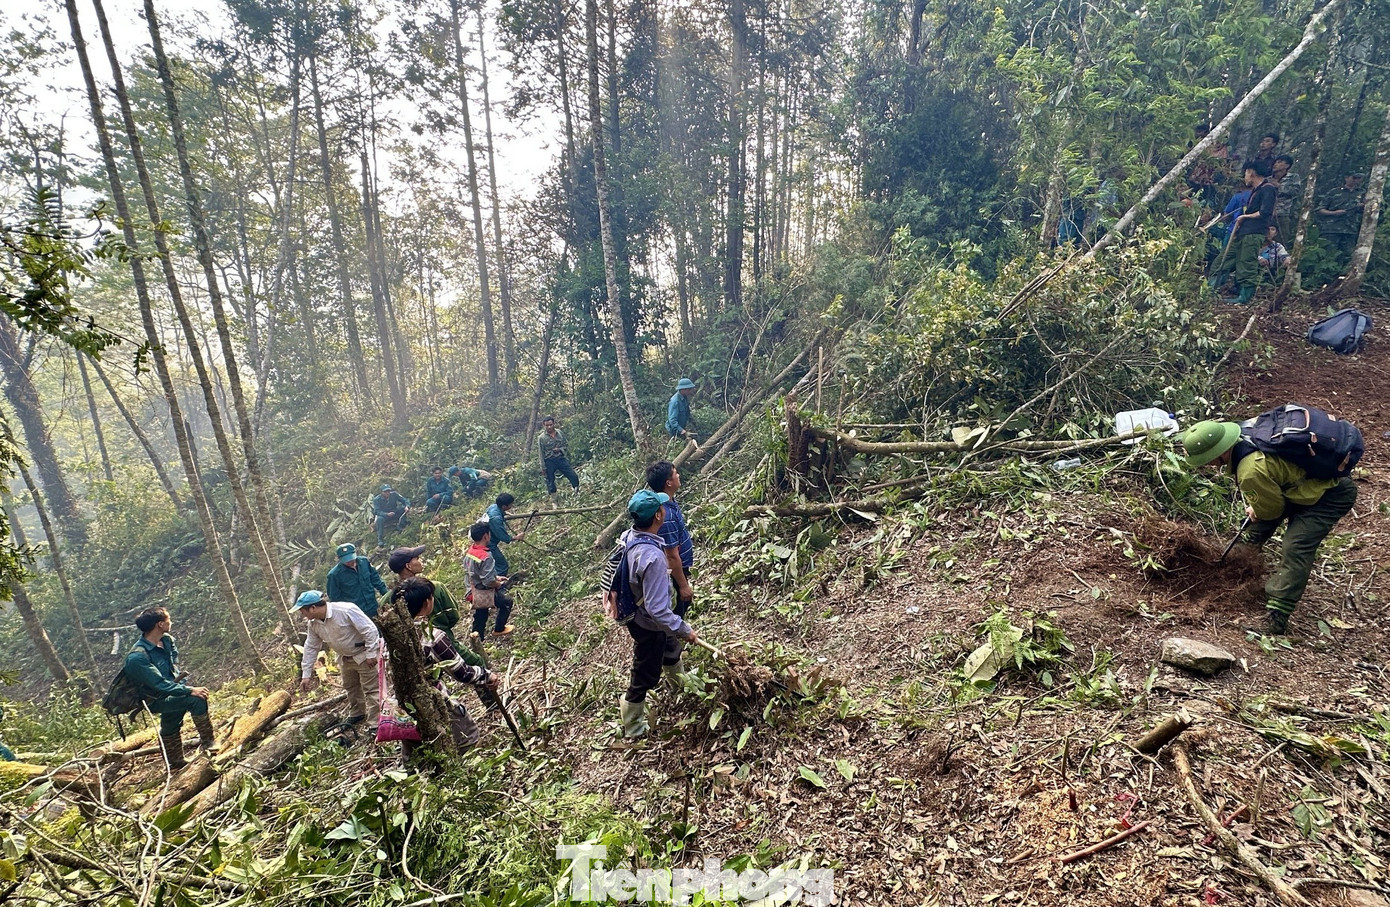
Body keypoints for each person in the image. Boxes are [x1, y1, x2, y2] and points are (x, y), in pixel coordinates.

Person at [1181, 421, 1357, 634]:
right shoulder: (1245, 433)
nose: (1207, 464)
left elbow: (1271, 511)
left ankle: (1277, 616)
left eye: (1206, 459)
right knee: (1255, 528)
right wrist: (1260, 508)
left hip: (1330, 493)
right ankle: (1235, 568)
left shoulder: (1250, 470)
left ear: (1219, 452)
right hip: (1301, 484)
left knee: (1296, 545)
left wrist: (1258, 509)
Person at [607, 489, 698, 740]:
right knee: (645, 670)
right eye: (661, 507)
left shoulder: (630, 536)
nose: (664, 510)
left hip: (638, 614)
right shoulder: (652, 557)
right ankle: (633, 725)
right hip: (647, 622)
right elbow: (658, 610)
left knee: (669, 645)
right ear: (658, 515)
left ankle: (679, 683)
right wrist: (684, 628)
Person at [391, 577, 499, 757]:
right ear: (427, 603)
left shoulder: (389, 638)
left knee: (418, 758)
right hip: (435, 703)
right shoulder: (431, 636)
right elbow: (463, 673)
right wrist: (487, 675)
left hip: (402, 709)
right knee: (467, 741)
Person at [391, 545, 500, 710]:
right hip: (445, 643)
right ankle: (492, 703)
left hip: (408, 666)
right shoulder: (433, 588)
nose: (420, 561)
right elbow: (454, 616)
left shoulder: (391, 598)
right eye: (417, 559)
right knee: (476, 661)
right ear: (408, 566)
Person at [123, 607, 215, 770]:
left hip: (172, 689)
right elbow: (159, 684)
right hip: (154, 699)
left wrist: (181, 686)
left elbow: (173, 667)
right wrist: (189, 690)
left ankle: (175, 762)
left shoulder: (167, 640)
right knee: (196, 699)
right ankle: (209, 744)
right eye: (168, 620)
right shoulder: (137, 657)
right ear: (160, 624)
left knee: (172, 720)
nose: (171, 622)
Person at [295, 589, 382, 731]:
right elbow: (311, 647)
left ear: (313, 608)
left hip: (363, 654)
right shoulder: (313, 624)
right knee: (351, 687)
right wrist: (306, 674)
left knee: (371, 689)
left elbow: (370, 630)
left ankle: (375, 723)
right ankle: (358, 713)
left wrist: (371, 653)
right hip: (344, 658)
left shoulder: (345, 610)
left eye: (303, 611)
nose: (302, 614)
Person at [647, 461, 694, 682]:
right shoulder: (664, 514)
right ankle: (674, 674)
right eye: (675, 473)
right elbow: (671, 555)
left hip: (677, 571)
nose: (679, 475)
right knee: (669, 621)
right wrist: (683, 585)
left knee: (676, 615)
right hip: (672, 574)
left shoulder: (670, 503)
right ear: (668, 482)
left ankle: (674, 658)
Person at [1227, 160, 1276, 305]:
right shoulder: (1256, 190)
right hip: (1245, 231)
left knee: (1247, 263)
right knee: (1236, 259)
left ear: (1251, 172)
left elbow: (1265, 212)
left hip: (1255, 232)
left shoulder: (1268, 189)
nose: (1245, 177)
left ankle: (1245, 297)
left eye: (1246, 173)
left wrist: (1244, 217)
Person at [464, 522, 515, 641]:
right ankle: (499, 629)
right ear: (485, 536)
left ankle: (477, 641)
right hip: (482, 592)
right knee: (506, 603)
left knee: (481, 615)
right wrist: (498, 583)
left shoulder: (471, 551)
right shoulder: (485, 556)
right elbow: (488, 581)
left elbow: (478, 572)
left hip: (472, 590)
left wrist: (496, 577)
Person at [326, 542, 388, 620]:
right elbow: (335, 599)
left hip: (373, 607)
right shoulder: (334, 575)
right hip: (355, 614)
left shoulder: (364, 562)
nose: (350, 562)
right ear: (339, 558)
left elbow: (376, 580)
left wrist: (386, 595)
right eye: (346, 560)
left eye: (351, 558)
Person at [1316, 174, 1365, 268]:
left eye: (1358, 178)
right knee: (1328, 256)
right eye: (1354, 178)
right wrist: (1333, 213)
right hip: (1331, 229)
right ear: (1346, 178)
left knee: (1348, 257)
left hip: (1350, 230)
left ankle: (1343, 275)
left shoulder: (1362, 193)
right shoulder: (1334, 192)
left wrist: (1362, 206)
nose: (1356, 180)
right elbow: (1320, 209)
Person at [484, 493, 526, 577]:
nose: (511, 505)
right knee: (502, 565)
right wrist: (516, 537)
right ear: (504, 506)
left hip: (486, 539)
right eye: (510, 504)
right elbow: (503, 537)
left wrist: (504, 513)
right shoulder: (496, 519)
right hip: (488, 543)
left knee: (493, 563)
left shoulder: (493, 506)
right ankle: (499, 581)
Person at [537, 416, 580, 496]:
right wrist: (543, 467)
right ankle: (554, 498)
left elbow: (566, 445)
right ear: (544, 425)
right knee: (550, 481)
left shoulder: (559, 433)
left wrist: (560, 449)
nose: (549, 427)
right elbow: (541, 453)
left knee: (573, 475)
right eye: (547, 425)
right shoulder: (541, 438)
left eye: (551, 425)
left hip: (560, 458)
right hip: (549, 461)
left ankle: (576, 492)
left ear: (554, 424)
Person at [1271, 154, 1300, 241]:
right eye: (1275, 162)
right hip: (1268, 214)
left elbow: (1295, 191)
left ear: (1287, 165)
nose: (1275, 164)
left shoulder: (1293, 177)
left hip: (1283, 213)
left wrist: (1279, 186)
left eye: (1279, 162)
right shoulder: (1269, 178)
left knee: (1282, 240)